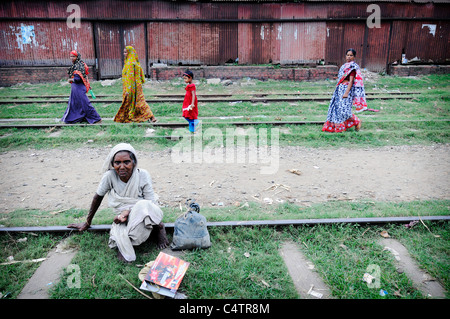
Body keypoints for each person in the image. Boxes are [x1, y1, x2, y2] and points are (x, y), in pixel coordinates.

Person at [67, 143, 169, 262]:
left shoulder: (143, 175)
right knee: (121, 236)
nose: (122, 167)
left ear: (134, 162)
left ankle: (159, 228)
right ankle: (127, 237)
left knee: (143, 205)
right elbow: (97, 198)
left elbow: (151, 204)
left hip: (142, 213)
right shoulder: (109, 176)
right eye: (117, 163)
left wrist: (129, 211)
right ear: (112, 164)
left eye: (126, 162)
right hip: (122, 216)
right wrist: (87, 222)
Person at [322, 48, 367, 133]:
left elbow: (351, 81)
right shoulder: (344, 66)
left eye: (351, 55)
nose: (349, 57)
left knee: (344, 110)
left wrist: (346, 93)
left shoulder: (352, 67)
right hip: (340, 89)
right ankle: (339, 128)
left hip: (347, 90)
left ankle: (356, 121)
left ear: (354, 57)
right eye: (347, 55)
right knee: (337, 109)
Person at [114, 46, 157, 123]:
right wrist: (140, 82)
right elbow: (141, 75)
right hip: (137, 85)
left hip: (132, 87)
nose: (124, 54)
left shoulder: (130, 64)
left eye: (126, 52)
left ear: (130, 52)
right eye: (124, 52)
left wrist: (128, 90)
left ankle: (151, 117)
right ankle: (145, 116)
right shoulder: (135, 61)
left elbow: (130, 77)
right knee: (139, 101)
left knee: (137, 102)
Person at [62, 50, 102, 124]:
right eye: (71, 56)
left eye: (73, 56)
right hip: (76, 88)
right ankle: (79, 118)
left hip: (78, 88)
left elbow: (78, 79)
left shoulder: (78, 65)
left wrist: (70, 79)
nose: (72, 58)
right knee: (76, 104)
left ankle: (97, 119)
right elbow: (85, 76)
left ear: (77, 57)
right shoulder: (79, 64)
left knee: (85, 104)